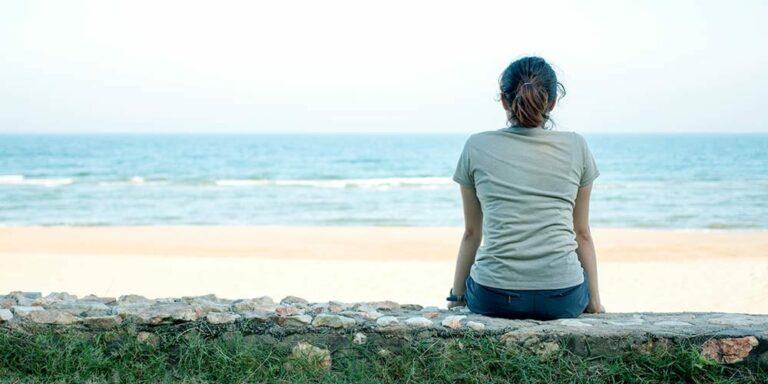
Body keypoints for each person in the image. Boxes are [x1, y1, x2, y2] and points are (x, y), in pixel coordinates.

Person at [446, 56, 606, 320]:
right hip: (563, 297)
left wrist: (458, 296)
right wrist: (595, 302)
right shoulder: (577, 146)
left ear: (504, 101)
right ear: (553, 102)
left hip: (492, 296)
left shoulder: (476, 146)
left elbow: (471, 233)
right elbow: (582, 233)